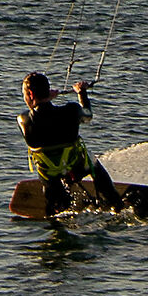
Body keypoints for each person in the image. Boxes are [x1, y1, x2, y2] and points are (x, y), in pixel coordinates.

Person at [19, 70, 123, 212]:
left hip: (51, 175)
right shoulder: (71, 110)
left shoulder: (23, 120)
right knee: (93, 162)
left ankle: (59, 205)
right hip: (77, 167)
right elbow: (88, 116)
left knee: (48, 171)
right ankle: (114, 202)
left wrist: (45, 99)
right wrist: (81, 93)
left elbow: (39, 114)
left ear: (30, 94)